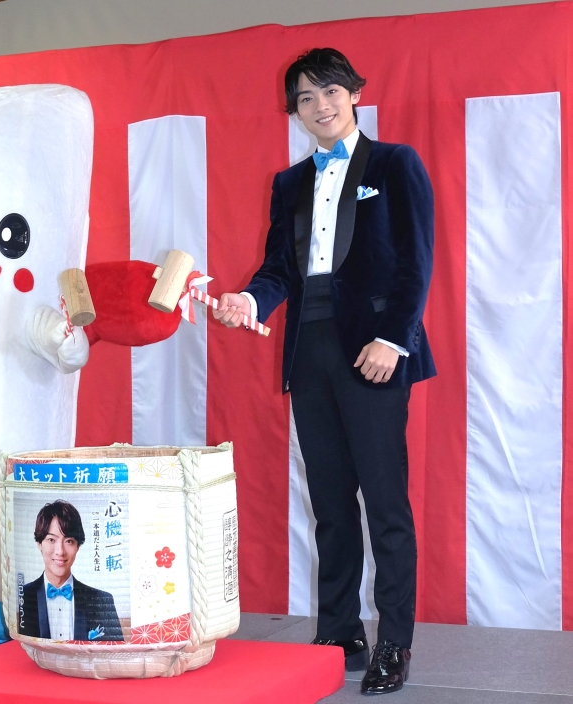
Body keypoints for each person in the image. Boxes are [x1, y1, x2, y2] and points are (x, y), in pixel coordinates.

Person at [213, 48, 435, 695]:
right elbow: (277, 269)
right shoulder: (289, 183)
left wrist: (393, 340)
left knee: (385, 505)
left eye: (330, 91)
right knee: (332, 507)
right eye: (305, 99)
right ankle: (340, 634)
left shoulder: (394, 164)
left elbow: (416, 261)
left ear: (355, 93)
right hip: (307, 353)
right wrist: (248, 301)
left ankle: (394, 642)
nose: (320, 106)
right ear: (295, 112)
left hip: (373, 352)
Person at [18, 500, 123, 641]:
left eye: (69, 541)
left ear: (78, 546)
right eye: (51, 540)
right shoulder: (22, 596)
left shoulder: (102, 601)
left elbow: (115, 651)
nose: (60, 551)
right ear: (39, 543)